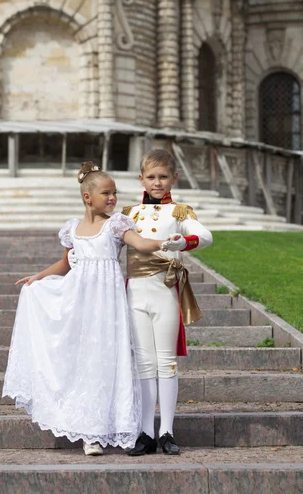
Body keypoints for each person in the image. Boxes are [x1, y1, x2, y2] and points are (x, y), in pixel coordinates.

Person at [3, 161, 181, 456]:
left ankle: (100, 429)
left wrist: (164, 242)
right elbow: (65, 263)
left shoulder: (117, 225)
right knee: (81, 361)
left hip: (107, 308)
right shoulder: (73, 228)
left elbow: (140, 243)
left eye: (114, 193)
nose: (112, 198)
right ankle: (87, 432)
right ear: (88, 197)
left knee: (102, 361)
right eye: (106, 193)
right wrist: (39, 277)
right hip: (79, 303)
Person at [123, 148, 213, 456]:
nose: (157, 182)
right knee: (144, 363)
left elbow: (205, 236)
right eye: (151, 177)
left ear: (174, 178)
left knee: (166, 361)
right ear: (141, 179)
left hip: (165, 291)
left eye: (163, 177)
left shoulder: (180, 212)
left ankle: (167, 431)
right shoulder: (129, 213)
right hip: (135, 292)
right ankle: (146, 431)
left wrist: (184, 241)